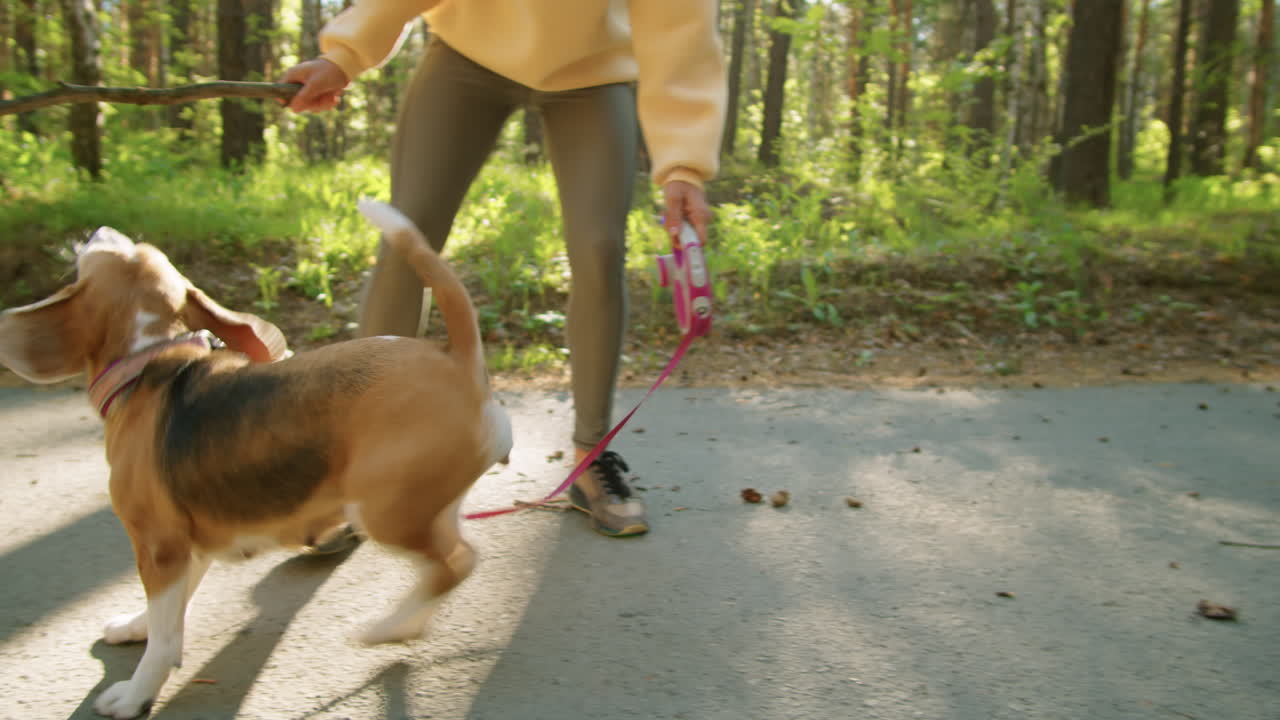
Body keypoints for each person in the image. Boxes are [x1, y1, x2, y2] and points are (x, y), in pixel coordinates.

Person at [282, 0, 726, 537]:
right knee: (409, 232)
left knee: (599, 248)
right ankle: (354, 464)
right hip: (468, 55)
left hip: (594, 74)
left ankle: (591, 454)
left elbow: (681, 28)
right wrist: (347, 54)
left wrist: (683, 163)